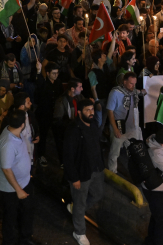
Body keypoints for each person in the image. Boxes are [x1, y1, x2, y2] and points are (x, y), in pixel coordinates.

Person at [63, 98, 104, 245]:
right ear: (79, 112)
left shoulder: (93, 124)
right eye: (87, 110)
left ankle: (75, 211)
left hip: (96, 170)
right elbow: (67, 156)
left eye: (92, 109)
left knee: (98, 194)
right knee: (80, 203)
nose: (91, 112)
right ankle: (79, 232)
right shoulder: (73, 129)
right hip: (81, 174)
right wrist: (74, 178)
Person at [0, 109, 35, 245]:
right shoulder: (8, 142)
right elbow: (6, 169)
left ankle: (24, 239)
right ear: (22, 124)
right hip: (11, 189)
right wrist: (18, 190)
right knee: (10, 218)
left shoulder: (15, 132)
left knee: (27, 212)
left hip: (24, 182)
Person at [105, 72, 146, 174]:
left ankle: (136, 170)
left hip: (131, 127)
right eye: (131, 83)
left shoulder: (133, 92)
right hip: (119, 127)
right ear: (124, 82)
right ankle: (112, 172)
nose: (133, 86)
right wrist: (114, 129)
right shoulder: (115, 93)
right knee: (115, 153)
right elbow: (110, 111)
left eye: (134, 83)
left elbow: (139, 92)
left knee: (134, 150)